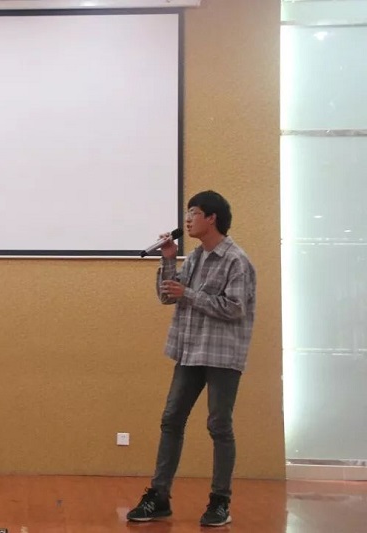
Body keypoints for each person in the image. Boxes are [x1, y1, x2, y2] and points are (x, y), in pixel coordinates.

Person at [126, 191, 256, 527]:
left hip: (222, 356)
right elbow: (168, 297)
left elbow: (235, 308)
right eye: (187, 213)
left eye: (194, 213)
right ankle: (159, 497)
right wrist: (169, 259)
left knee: (219, 426)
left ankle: (220, 501)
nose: (187, 220)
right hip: (190, 351)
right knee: (171, 419)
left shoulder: (236, 260)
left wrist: (190, 295)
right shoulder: (196, 256)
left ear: (212, 218)